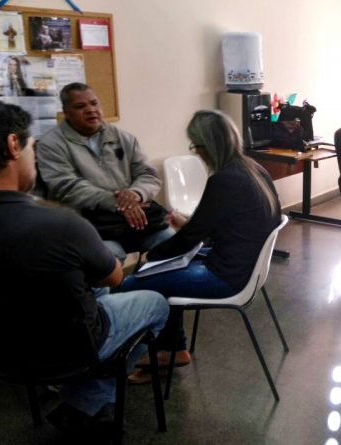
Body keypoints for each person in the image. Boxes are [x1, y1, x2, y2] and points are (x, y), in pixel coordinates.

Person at [0, 99, 169, 436]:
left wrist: (134, 195)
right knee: (155, 302)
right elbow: (114, 275)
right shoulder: (60, 224)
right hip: (67, 351)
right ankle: (87, 401)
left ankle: (85, 399)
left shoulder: (121, 139)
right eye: (31, 147)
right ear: (13, 144)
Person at [119, 110, 282, 383]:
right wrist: (187, 226)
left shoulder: (224, 180)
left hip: (227, 278)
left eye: (195, 146)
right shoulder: (253, 168)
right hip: (245, 267)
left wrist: (151, 256)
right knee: (163, 274)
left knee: (134, 283)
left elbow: (188, 240)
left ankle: (122, 359)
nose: (197, 153)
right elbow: (224, 225)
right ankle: (173, 349)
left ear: (208, 146)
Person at [36, 82, 174, 261]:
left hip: (136, 220)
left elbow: (148, 174)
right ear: (66, 112)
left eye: (94, 103)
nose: (90, 110)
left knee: (172, 242)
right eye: (80, 106)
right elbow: (66, 187)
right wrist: (117, 202)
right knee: (109, 259)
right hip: (90, 225)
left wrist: (135, 194)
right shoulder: (50, 144)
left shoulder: (123, 137)